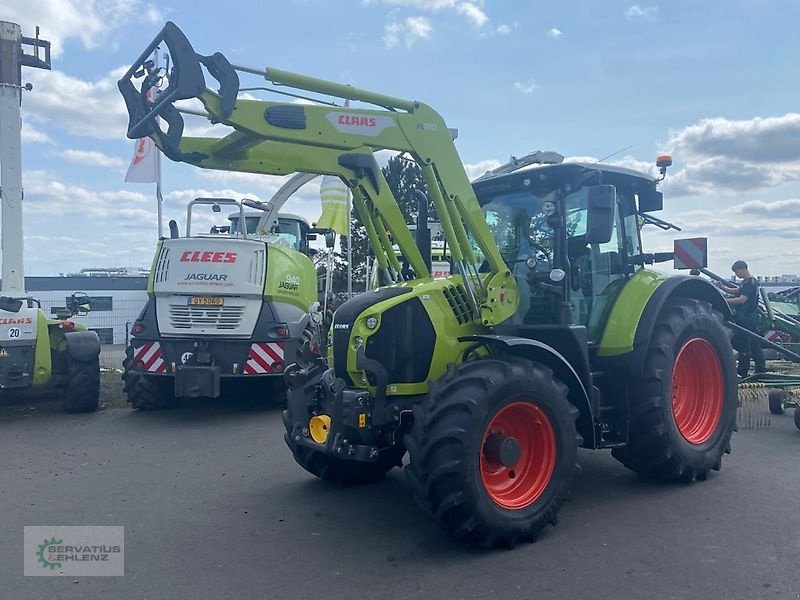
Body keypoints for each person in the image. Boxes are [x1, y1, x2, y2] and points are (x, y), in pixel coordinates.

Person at [716, 260, 766, 377]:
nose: (737, 275)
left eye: (737, 272)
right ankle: (760, 369)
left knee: (744, 343)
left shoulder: (751, 283)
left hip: (747, 317)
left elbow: (742, 299)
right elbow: (737, 291)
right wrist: (722, 287)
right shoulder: (746, 282)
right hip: (747, 317)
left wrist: (723, 302)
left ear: (743, 269)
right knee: (754, 343)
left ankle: (744, 370)